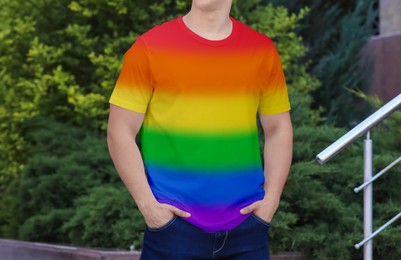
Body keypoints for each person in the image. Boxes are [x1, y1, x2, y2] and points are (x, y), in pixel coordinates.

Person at [107, 0, 293, 259]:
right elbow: (119, 131)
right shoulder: (150, 48)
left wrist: (271, 199)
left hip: (248, 229)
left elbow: (278, 129)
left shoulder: (261, 50)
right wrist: (148, 206)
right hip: (173, 231)